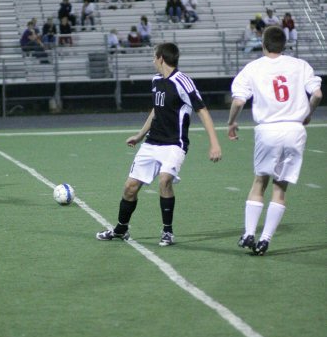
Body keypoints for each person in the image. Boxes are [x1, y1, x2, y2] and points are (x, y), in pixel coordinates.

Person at [96, 42, 222, 246]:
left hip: (175, 144)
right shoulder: (156, 81)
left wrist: (214, 144)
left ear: (161, 58)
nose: (153, 60)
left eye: (154, 57)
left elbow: (203, 111)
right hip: (152, 143)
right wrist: (139, 135)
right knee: (130, 187)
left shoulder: (183, 82)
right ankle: (121, 229)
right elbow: (156, 110)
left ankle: (167, 232)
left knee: (164, 180)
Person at [228, 25, 322, 255]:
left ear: (263, 42)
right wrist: (308, 114)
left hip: (268, 129)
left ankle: (249, 233)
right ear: (285, 44)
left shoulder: (253, 68)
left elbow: (239, 101)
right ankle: (265, 241)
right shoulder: (300, 65)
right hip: (294, 129)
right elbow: (318, 94)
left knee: (260, 182)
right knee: (280, 189)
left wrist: (231, 122)